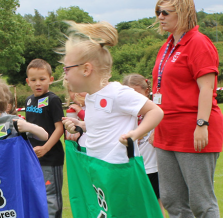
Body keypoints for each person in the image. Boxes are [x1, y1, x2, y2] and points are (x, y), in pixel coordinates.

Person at [149, 0, 223, 218]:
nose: (159, 17)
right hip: (166, 131)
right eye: (158, 11)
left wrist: (201, 123)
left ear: (183, 12)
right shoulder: (168, 44)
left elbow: (207, 88)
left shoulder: (199, 43)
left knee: (200, 197)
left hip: (195, 129)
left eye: (165, 12)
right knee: (170, 196)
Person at [60, 22, 163, 164]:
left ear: (86, 69)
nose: (65, 76)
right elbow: (103, 125)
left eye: (67, 69)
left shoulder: (117, 93)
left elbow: (156, 111)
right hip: (100, 172)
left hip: (120, 174)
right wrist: (82, 125)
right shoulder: (90, 97)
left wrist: (135, 134)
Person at [25, 59, 68, 218]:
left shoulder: (53, 99)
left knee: (51, 197)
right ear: (27, 81)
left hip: (51, 157)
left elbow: (60, 128)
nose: (38, 83)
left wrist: (46, 148)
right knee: (39, 196)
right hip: (34, 159)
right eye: (33, 80)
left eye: (42, 79)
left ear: (50, 79)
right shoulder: (29, 101)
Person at [122, 73, 163, 211]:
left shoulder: (154, 112)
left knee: (156, 204)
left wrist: (156, 131)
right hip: (132, 165)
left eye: (137, 94)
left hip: (152, 166)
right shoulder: (127, 113)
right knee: (136, 206)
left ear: (146, 92)